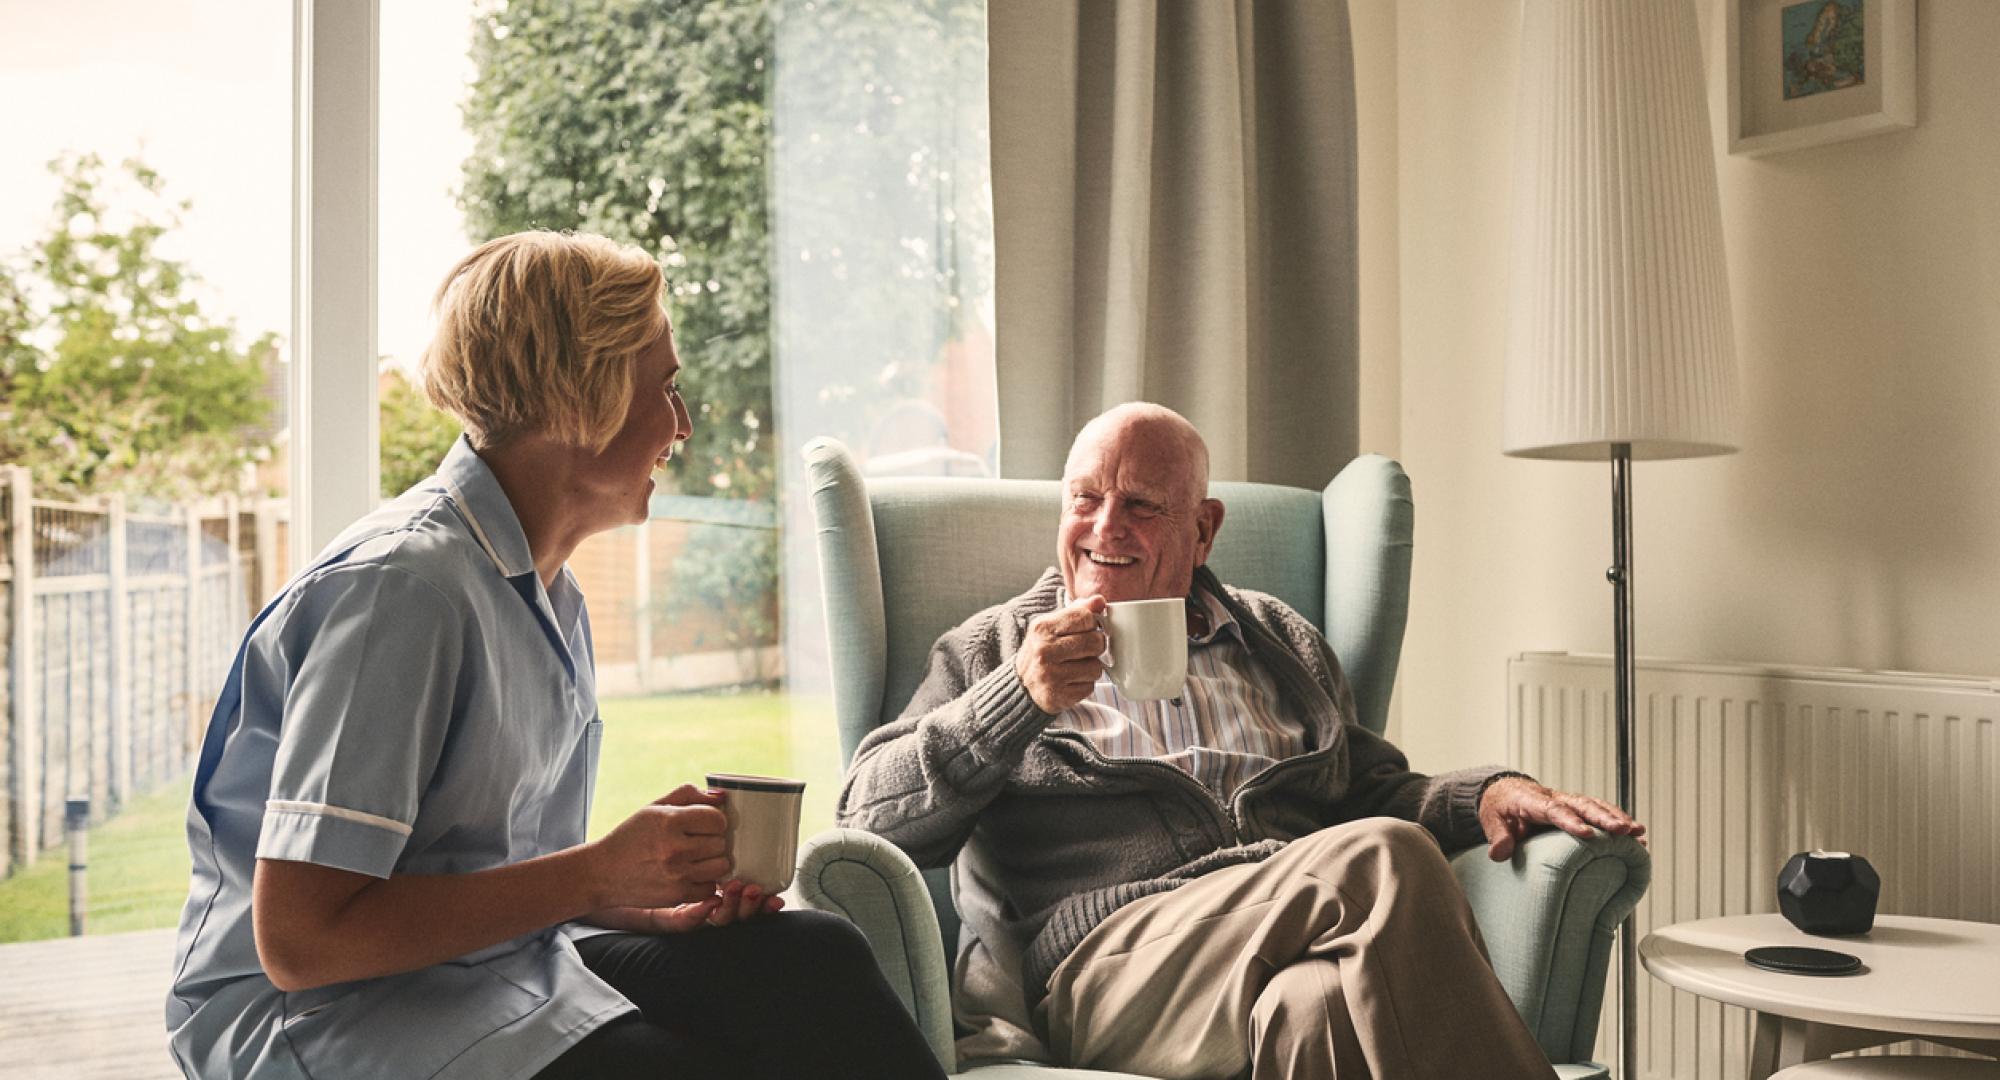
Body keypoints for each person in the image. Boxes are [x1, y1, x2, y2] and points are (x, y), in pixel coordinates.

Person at [166, 231, 945, 1080]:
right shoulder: (405, 592)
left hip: (483, 969)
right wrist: (595, 873)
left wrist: (630, 894)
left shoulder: (544, 592)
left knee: (808, 959)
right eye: (667, 388)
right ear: (586, 394)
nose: (681, 426)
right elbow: (302, 943)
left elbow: (487, 875)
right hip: (312, 1017)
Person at [838, 402, 1647, 1079]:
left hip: (1282, 942)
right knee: (1384, 858)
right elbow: (866, 820)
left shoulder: (1280, 641)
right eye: (1084, 498)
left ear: (1204, 528)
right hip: (1109, 972)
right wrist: (1021, 696)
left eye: (1142, 505)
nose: (1103, 527)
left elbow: (1368, 790)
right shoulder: (994, 650)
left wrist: (1489, 794)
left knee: (1315, 1009)